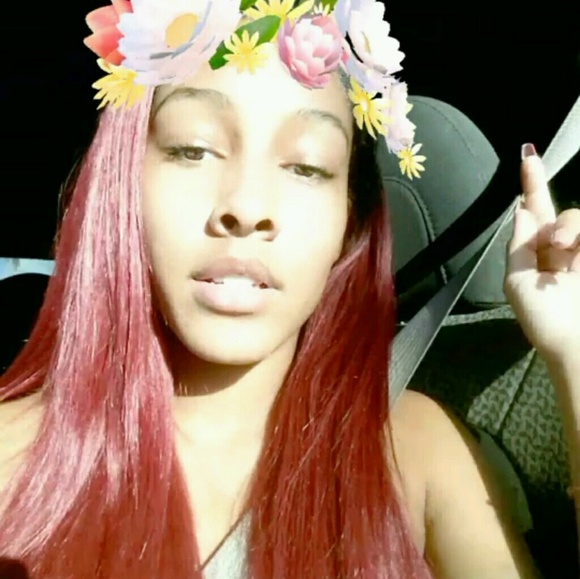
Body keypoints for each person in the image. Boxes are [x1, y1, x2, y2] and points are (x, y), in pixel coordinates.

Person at [0, 1, 578, 577]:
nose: (248, 207)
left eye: (307, 166)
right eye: (193, 149)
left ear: (349, 223)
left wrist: (573, 352)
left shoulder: (417, 451)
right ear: (123, 184)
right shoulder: (11, 454)